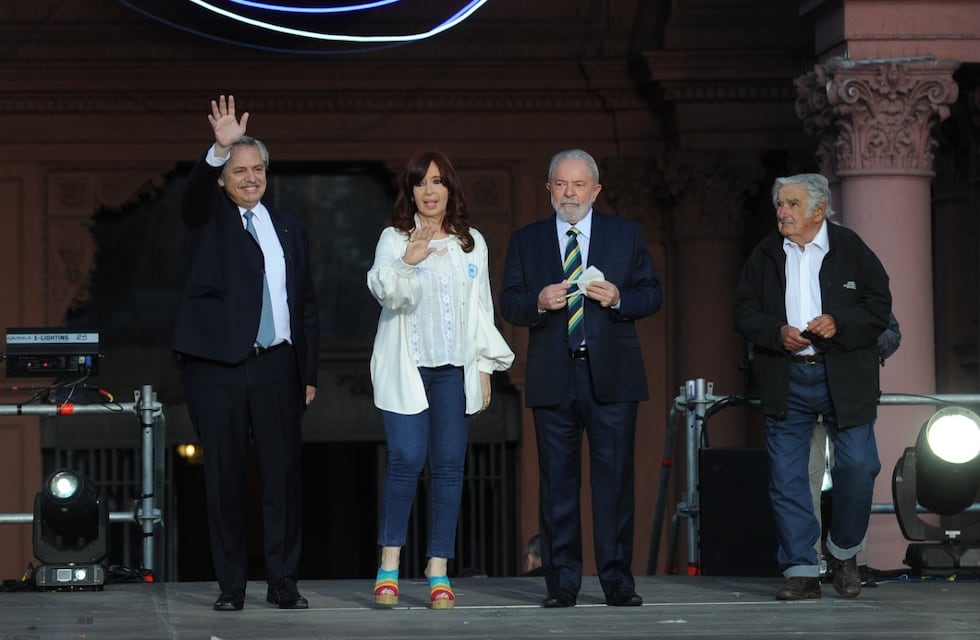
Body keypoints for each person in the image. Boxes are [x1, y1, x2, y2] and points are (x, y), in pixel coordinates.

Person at [173, 95, 319, 612]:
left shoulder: (290, 230)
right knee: (225, 479)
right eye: (240, 170)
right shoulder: (205, 218)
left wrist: (309, 371)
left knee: (282, 479)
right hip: (217, 369)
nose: (251, 178)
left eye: (258, 170)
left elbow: (305, 306)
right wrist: (219, 146)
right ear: (223, 177)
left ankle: (283, 583)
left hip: (279, 365)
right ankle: (231, 587)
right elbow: (191, 197)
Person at [499, 149, 662, 608]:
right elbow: (508, 301)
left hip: (611, 375)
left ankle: (617, 581)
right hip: (554, 374)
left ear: (595, 191)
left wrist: (618, 297)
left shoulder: (624, 234)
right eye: (561, 185)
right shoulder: (527, 240)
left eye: (579, 185)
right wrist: (537, 301)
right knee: (557, 486)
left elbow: (652, 295)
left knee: (613, 483)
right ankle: (562, 583)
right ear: (548, 189)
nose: (570, 194)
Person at [367, 150, 514, 610]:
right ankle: (389, 565)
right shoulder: (394, 239)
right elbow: (385, 292)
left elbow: (482, 310)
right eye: (420, 183)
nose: (429, 191)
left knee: (449, 468)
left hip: (455, 370)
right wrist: (409, 260)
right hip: (407, 369)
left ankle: (438, 569)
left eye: (437, 182)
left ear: (450, 188)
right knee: (406, 459)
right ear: (409, 192)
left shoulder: (472, 243)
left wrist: (486, 367)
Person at [734, 173, 891, 601]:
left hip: (843, 374)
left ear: (818, 210)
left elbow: (879, 307)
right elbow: (744, 310)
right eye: (780, 204)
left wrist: (840, 323)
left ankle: (843, 553)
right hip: (787, 375)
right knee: (787, 478)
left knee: (859, 466)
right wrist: (774, 332)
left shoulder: (851, 248)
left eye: (791, 204)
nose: (782, 212)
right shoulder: (765, 253)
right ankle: (801, 569)